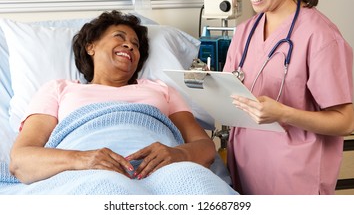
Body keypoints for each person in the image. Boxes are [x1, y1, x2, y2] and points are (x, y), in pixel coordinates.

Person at [9, 10, 236, 194]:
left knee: (198, 186)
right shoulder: (59, 89)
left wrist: (179, 154)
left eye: (135, 44)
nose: (130, 46)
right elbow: (21, 160)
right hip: (85, 173)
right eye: (120, 37)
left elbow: (205, 147)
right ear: (91, 46)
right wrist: (82, 159)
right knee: (106, 189)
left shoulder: (161, 90)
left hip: (165, 170)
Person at [223, 0, 354, 195]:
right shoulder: (245, 32)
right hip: (246, 167)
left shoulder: (321, 36)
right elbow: (231, 95)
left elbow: (346, 121)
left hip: (295, 177)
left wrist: (284, 113)